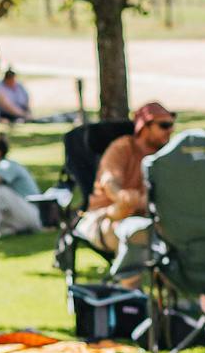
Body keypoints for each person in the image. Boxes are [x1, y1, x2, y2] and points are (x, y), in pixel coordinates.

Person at [75, 101, 175, 253]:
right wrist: (122, 196)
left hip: (147, 217)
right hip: (104, 217)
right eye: (164, 126)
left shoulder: (166, 154)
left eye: (171, 125)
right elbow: (110, 181)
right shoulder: (122, 148)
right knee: (137, 236)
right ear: (144, 126)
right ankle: (129, 276)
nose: (170, 131)